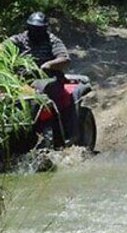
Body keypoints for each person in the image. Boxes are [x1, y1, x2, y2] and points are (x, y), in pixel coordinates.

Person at [6, 12, 76, 142]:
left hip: (47, 78)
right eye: (33, 28)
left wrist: (49, 64)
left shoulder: (52, 40)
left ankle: (63, 134)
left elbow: (65, 59)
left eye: (39, 29)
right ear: (28, 27)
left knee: (43, 94)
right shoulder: (18, 40)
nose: (36, 31)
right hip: (20, 79)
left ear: (45, 28)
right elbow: (0, 49)